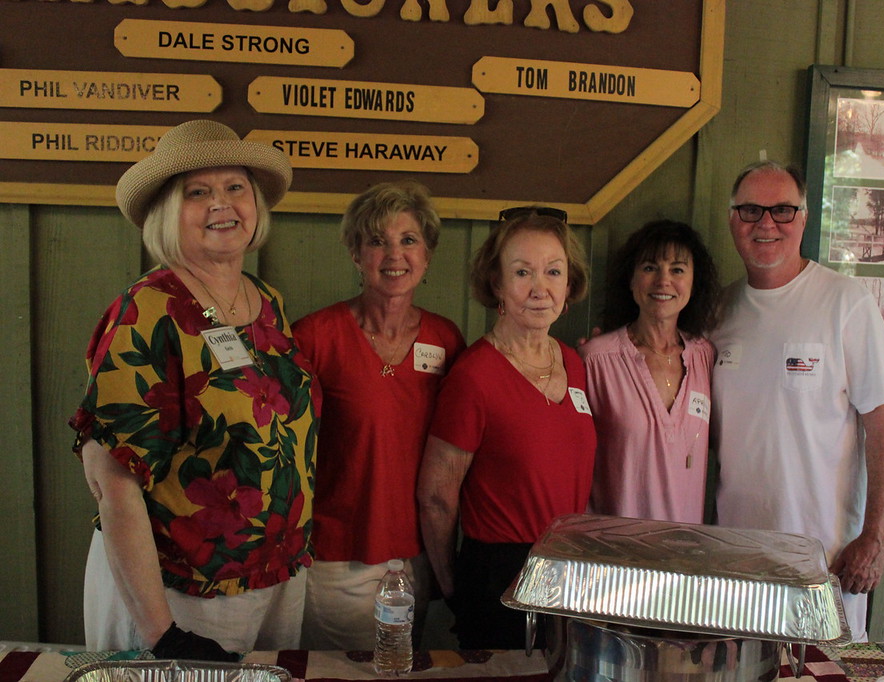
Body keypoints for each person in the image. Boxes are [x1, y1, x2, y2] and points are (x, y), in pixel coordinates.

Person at [68, 120, 321, 658]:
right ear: (167, 214)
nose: (221, 203)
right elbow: (112, 482)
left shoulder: (266, 301)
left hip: (273, 577)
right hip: (180, 594)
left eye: (235, 187)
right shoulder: (146, 310)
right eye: (197, 192)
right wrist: (163, 635)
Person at [710, 160, 884, 642]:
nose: (766, 224)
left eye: (782, 210)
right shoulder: (717, 311)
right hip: (734, 559)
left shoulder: (846, 302)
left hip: (825, 559)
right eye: (751, 210)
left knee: (817, 671)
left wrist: (875, 537)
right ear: (732, 218)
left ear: (803, 218)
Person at [292, 180, 465, 650]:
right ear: (356, 253)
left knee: (406, 671)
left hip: (421, 554)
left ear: (427, 255)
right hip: (340, 555)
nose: (394, 255)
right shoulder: (315, 337)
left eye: (408, 240)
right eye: (377, 241)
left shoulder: (446, 340)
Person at [417, 207, 596, 650]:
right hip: (500, 577)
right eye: (522, 272)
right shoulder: (475, 375)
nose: (540, 288)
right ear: (496, 283)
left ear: (569, 284)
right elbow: (436, 497)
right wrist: (454, 589)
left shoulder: (572, 362)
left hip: (568, 573)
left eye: (553, 271)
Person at [581, 219, 720, 523]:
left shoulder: (705, 356)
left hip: (684, 546)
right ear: (631, 280)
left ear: (694, 282)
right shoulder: (596, 360)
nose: (663, 281)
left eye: (677, 270)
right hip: (615, 546)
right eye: (649, 268)